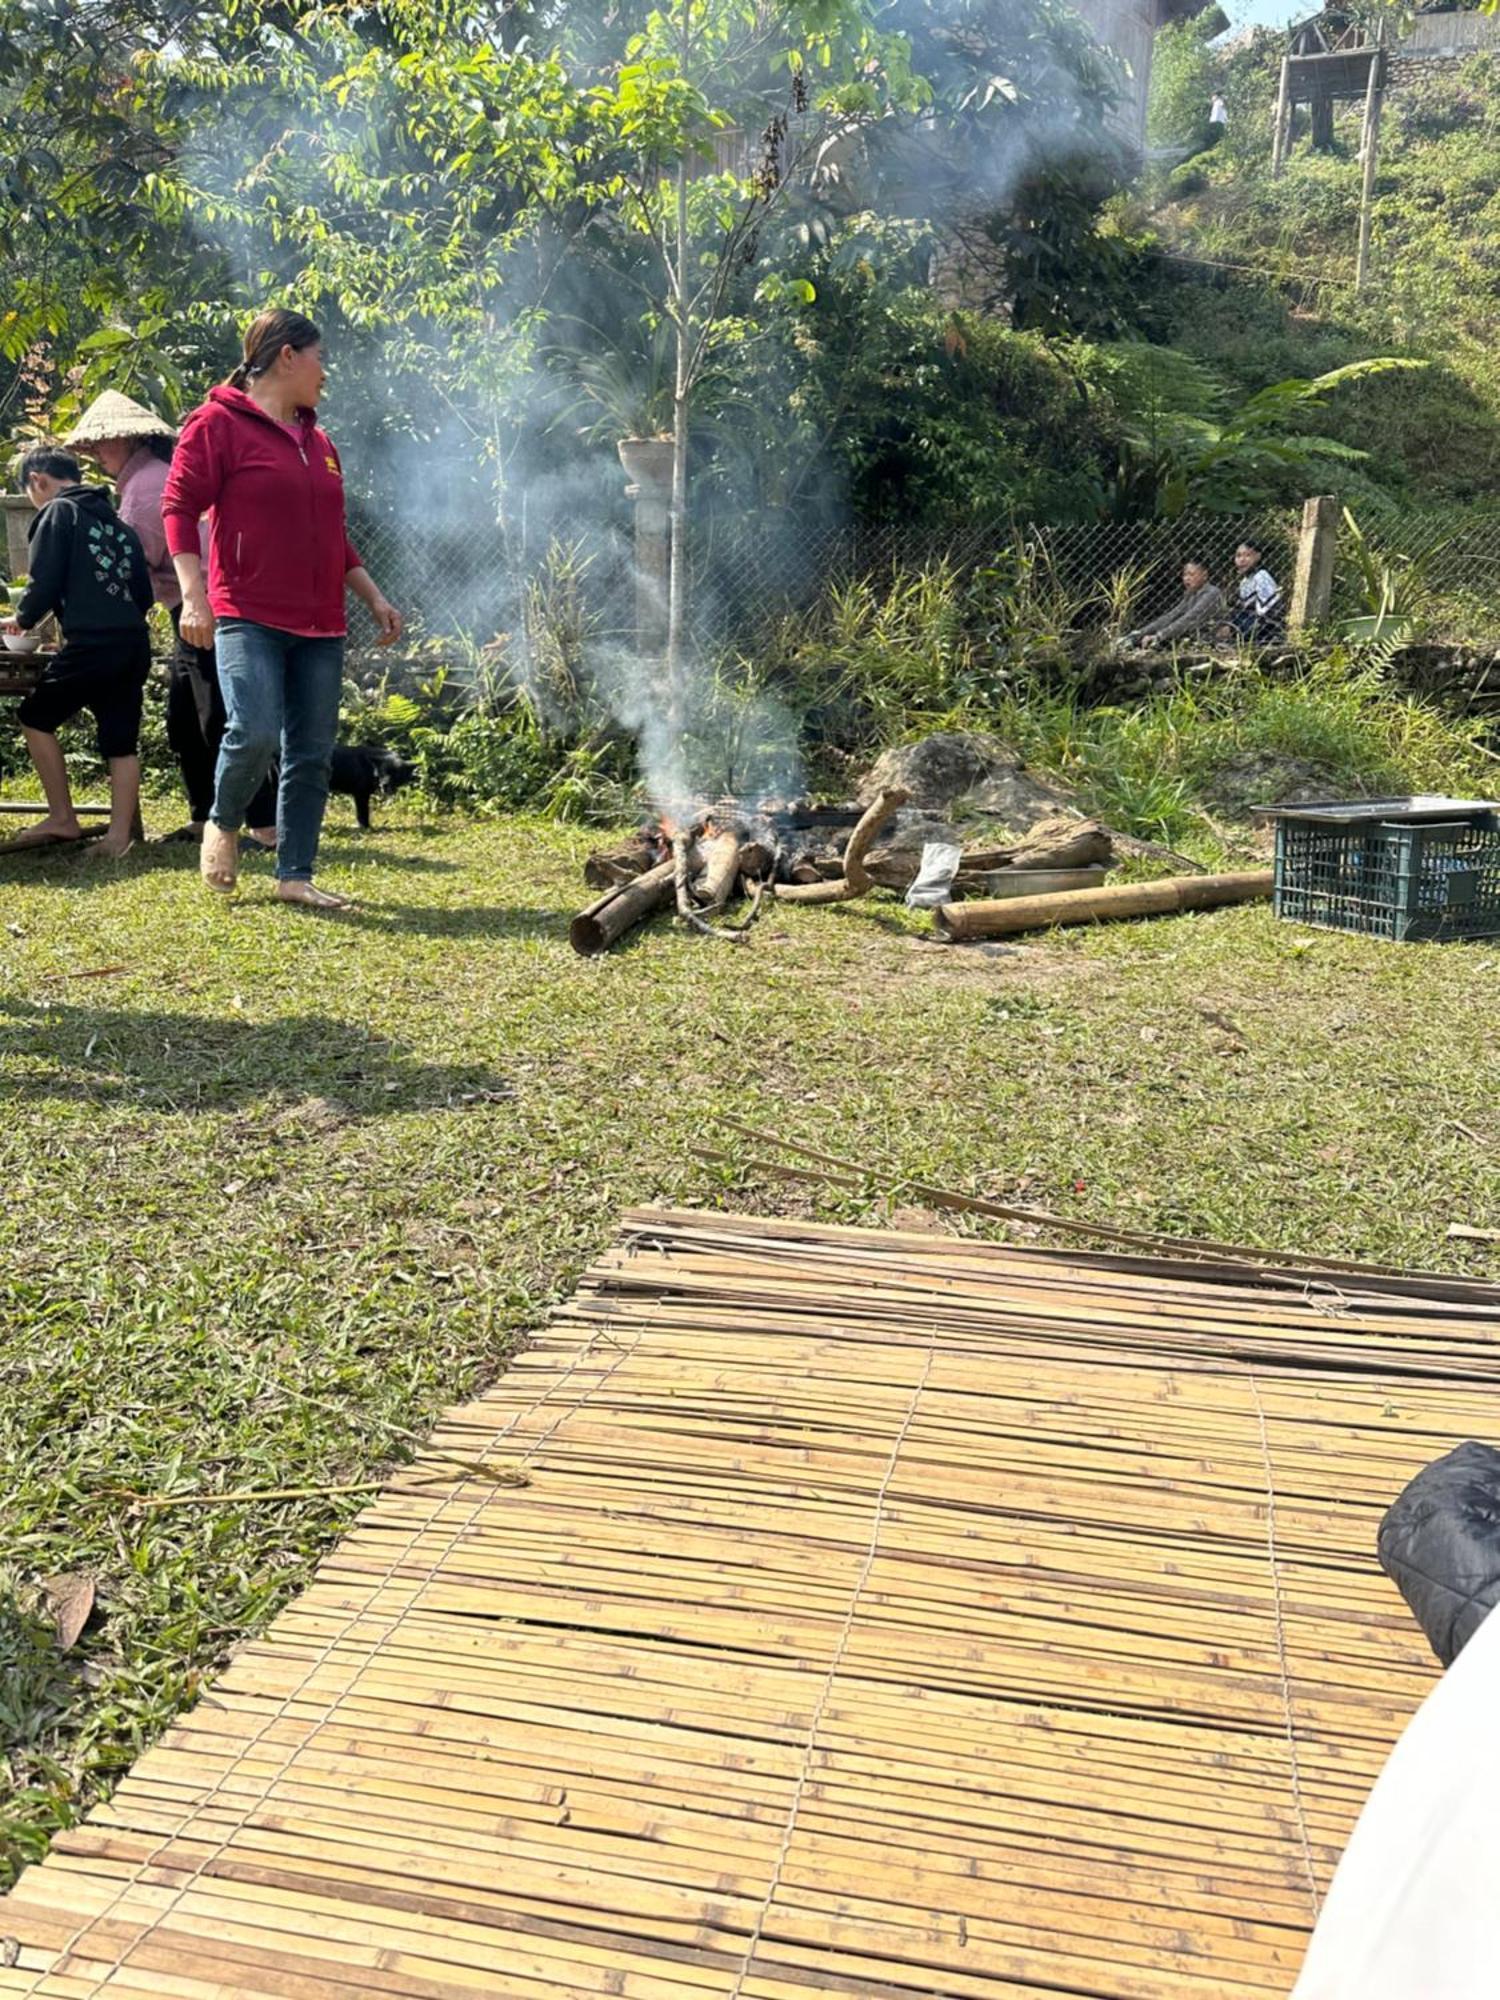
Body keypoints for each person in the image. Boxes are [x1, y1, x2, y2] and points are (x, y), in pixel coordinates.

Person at [161, 307, 403, 909]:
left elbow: (334, 533)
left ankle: (295, 875)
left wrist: (373, 596)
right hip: (247, 611)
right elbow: (179, 508)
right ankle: (222, 821)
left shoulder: (318, 442)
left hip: (320, 622)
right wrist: (195, 595)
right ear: (288, 356)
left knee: (312, 752)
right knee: (255, 728)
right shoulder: (216, 424)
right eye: (320, 356)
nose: (326, 370)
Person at [63, 390, 277, 851]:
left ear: (130, 439)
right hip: (190, 605)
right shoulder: (142, 480)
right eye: (95, 446)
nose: (98, 453)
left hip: (207, 605)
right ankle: (205, 816)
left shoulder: (144, 487)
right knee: (184, 718)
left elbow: (135, 566)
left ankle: (262, 824)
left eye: (105, 443)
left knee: (219, 713)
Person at [1, 447, 153, 855]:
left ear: (37, 480)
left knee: (35, 717)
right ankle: (118, 839)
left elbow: (44, 582)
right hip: (132, 643)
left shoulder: (57, 513)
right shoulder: (119, 524)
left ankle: (63, 817)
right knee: (121, 741)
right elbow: (143, 594)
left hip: (94, 644)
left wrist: (23, 619)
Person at [1124, 561, 1226, 651]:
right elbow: (1172, 615)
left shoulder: (1211, 593)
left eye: (1191, 574)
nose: (1186, 578)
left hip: (1210, 638)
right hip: (1193, 635)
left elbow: (1190, 618)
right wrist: (1140, 632)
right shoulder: (1191, 594)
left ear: (1204, 575)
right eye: (1184, 575)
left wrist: (1160, 636)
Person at [1224, 540, 1284, 643]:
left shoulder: (1261, 576)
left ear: (1258, 556)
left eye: (1247, 555)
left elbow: (1267, 612)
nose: (1242, 560)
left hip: (1266, 629)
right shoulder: (1244, 582)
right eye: (1238, 556)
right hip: (1248, 624)